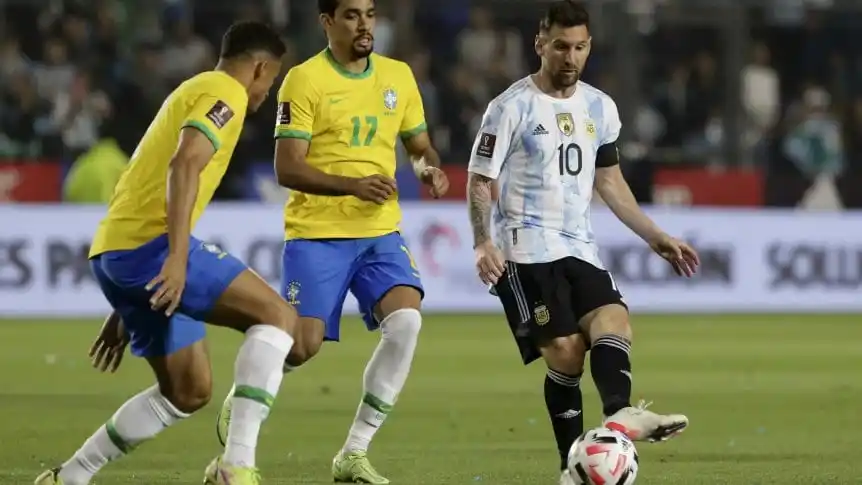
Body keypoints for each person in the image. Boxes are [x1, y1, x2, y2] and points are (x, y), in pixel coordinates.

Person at [35, 22, 291, 485]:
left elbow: (154, 176)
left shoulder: (192, 90)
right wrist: (175, 258)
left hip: (117, 254)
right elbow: (184, 162)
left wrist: (124, 304)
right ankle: (236, 467)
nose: (267, 93)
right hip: (150, 249)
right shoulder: (225, 93)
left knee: (188, 392)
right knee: (278, 318)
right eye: (271, 80)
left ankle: (69, 477)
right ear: (259, 68)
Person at [214, 1, 449, 484]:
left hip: (379, 233)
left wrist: (428, 170)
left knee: (405, 321)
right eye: (350, 15)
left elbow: (419, 146)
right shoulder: (304, 80)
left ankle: (354, 453)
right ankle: (244, 396)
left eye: (369, 14)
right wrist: (352, 184)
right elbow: (287, 167)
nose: (364, 25)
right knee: (300, 347)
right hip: (318, 235)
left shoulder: (398, 77)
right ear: (327, 22)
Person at [465, 2, 700, 484]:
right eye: (560, 47)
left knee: (614, 320)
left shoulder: (600, 107)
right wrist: (482, 241)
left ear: (589, 46)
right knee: (568, 355)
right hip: (525, 251)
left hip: (579, 246)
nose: (569, 57)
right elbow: (478, 178)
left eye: (578, 47)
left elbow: (609, 182)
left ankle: (621, 414)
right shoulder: (511, 106)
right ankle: (569, 467)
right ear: (540, 44)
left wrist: (655, 235)